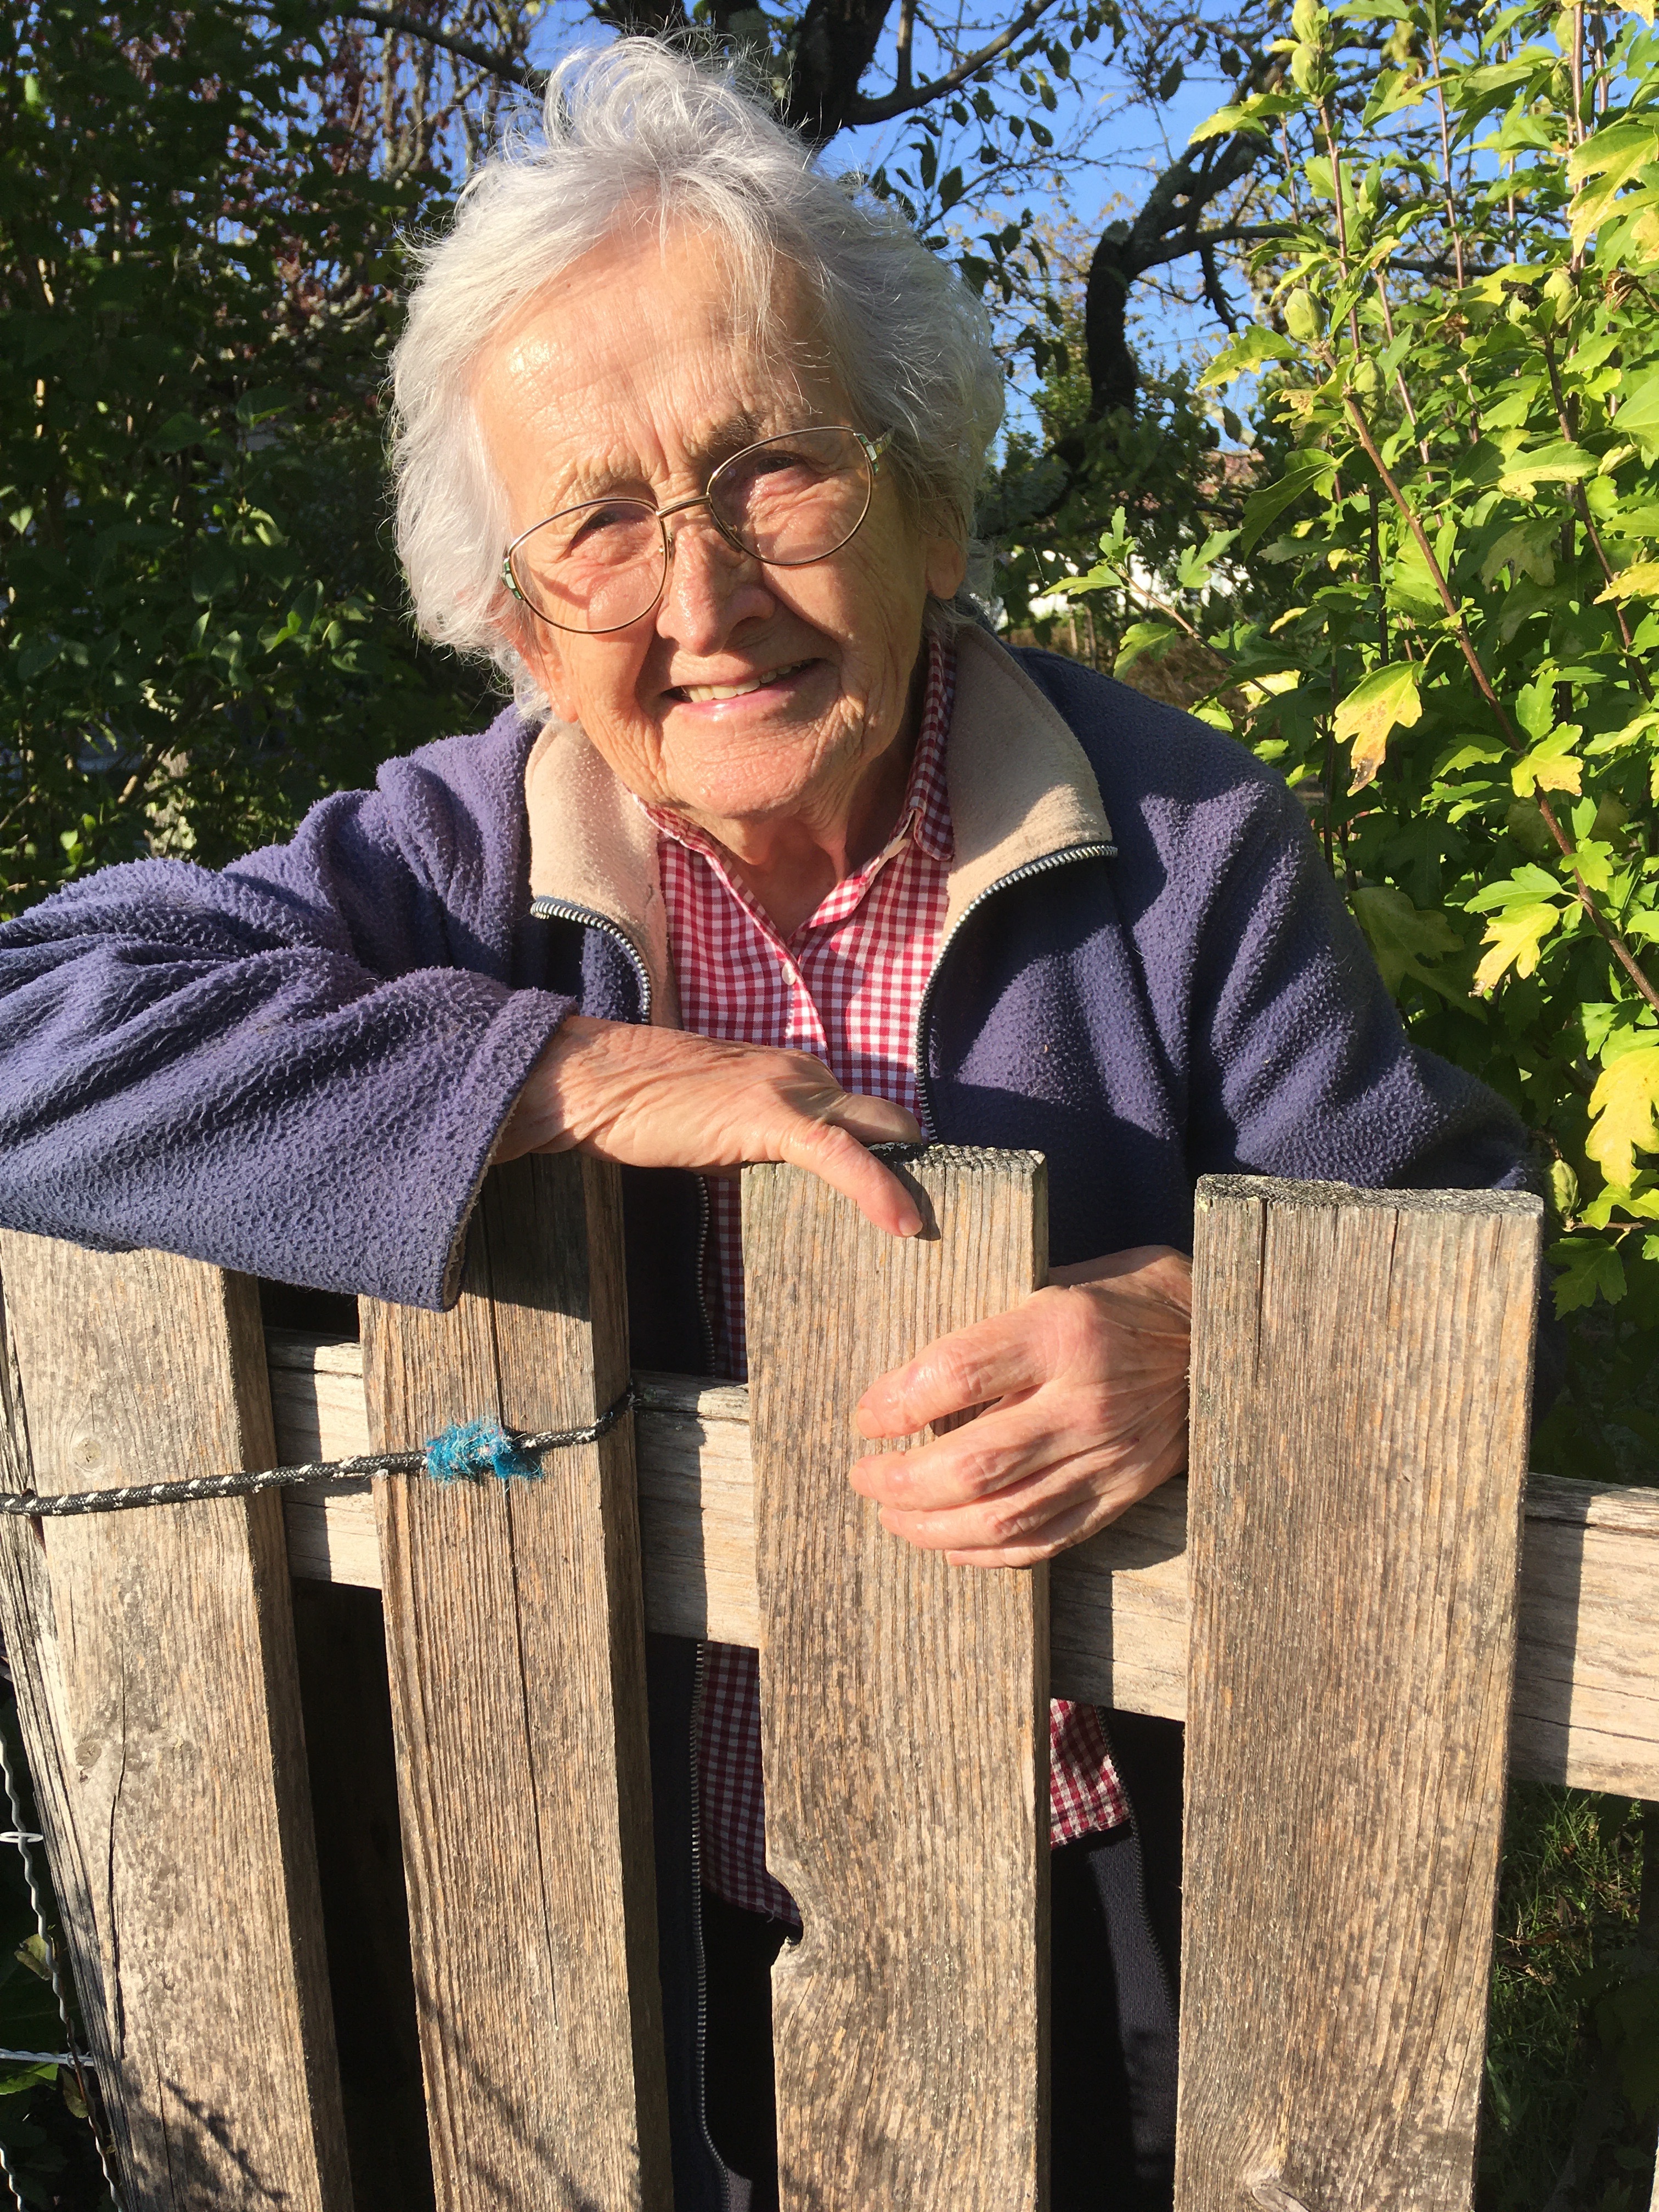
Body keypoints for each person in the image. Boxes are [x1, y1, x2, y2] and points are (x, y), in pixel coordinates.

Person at [0, 41, 1540, 2211]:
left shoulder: (1189, 845)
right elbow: (31, 1021)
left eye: (776, 474)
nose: (703, 599)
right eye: (599, 525)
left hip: (1092, 1854)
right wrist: (561, 1070)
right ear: (516, 620)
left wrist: (1216, 1332)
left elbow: (1449, 1239)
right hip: (608, 1869)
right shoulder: (454, 859)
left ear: (931, 501)